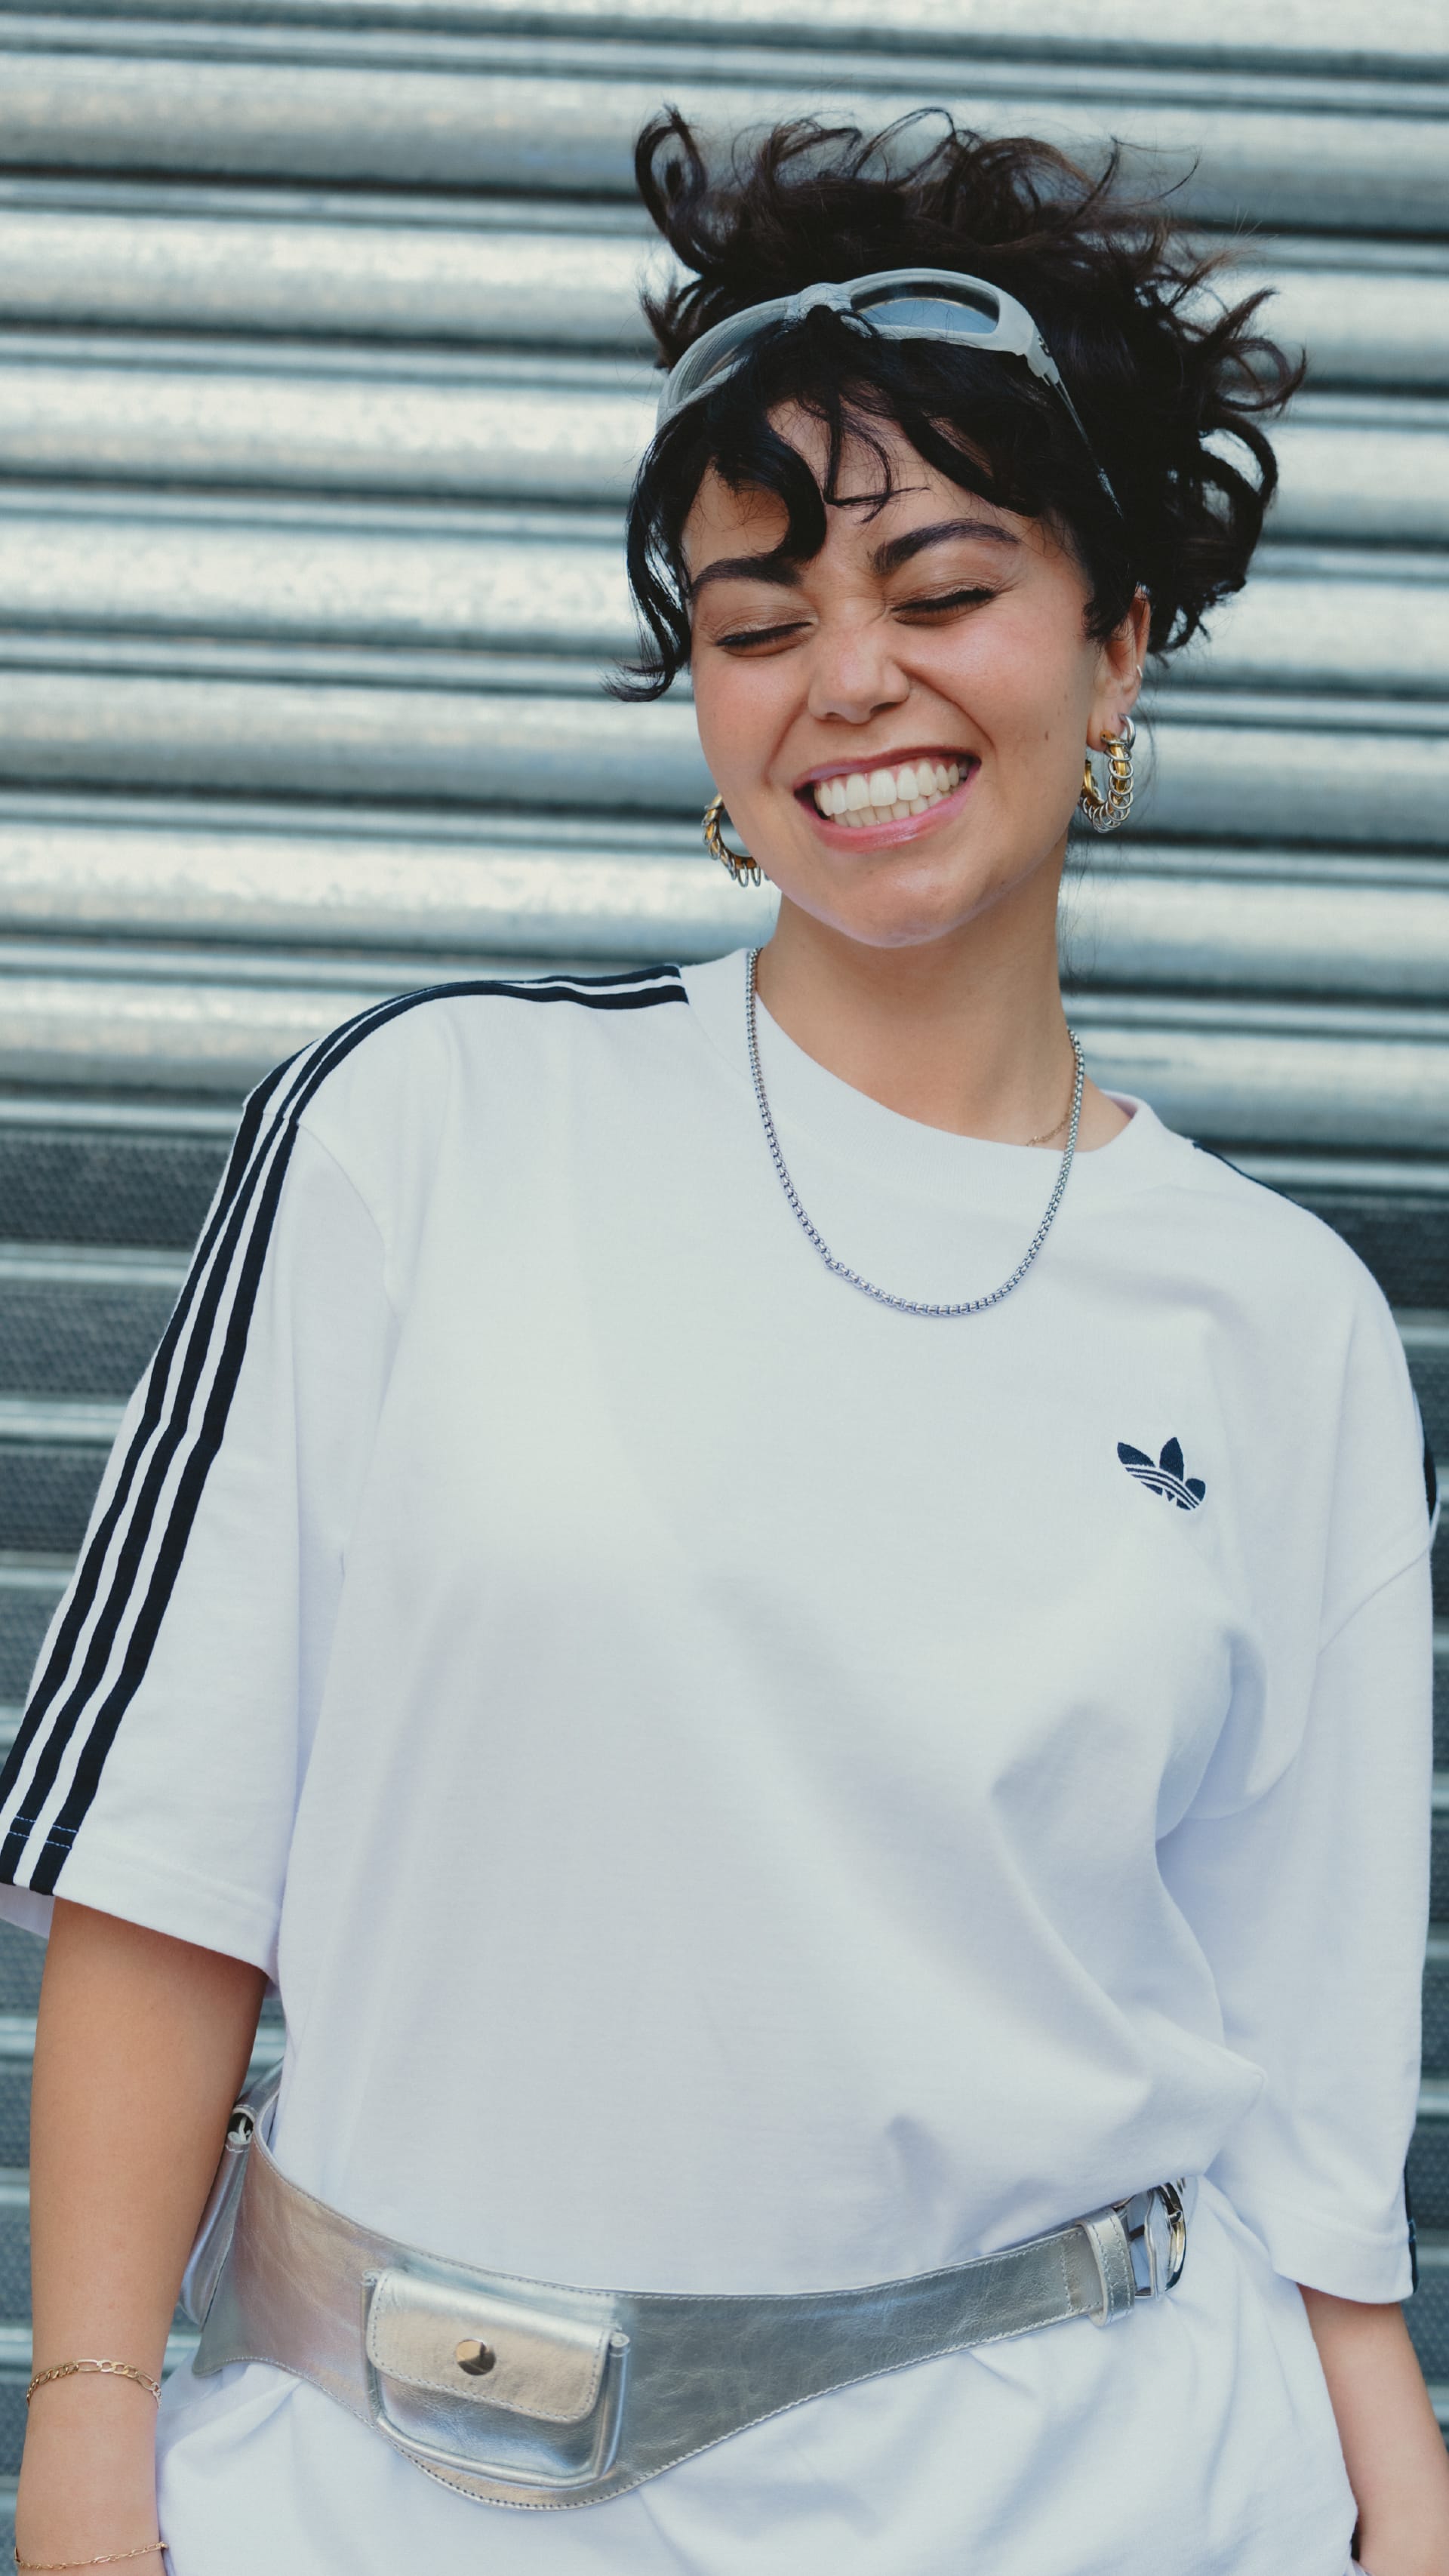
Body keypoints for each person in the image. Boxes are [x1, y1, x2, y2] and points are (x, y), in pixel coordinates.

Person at [5, 106, 1447, 2576]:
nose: (847, 680)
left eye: (944, 582)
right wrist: (85, 2435)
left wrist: (1396, 2513)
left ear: (1114, 641)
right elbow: (170, 1875)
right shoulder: (425, 1134)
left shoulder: (1279, 1320)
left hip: (1109, 2504)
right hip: (409, 2505)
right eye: (757, 619)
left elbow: (1310, 2114)